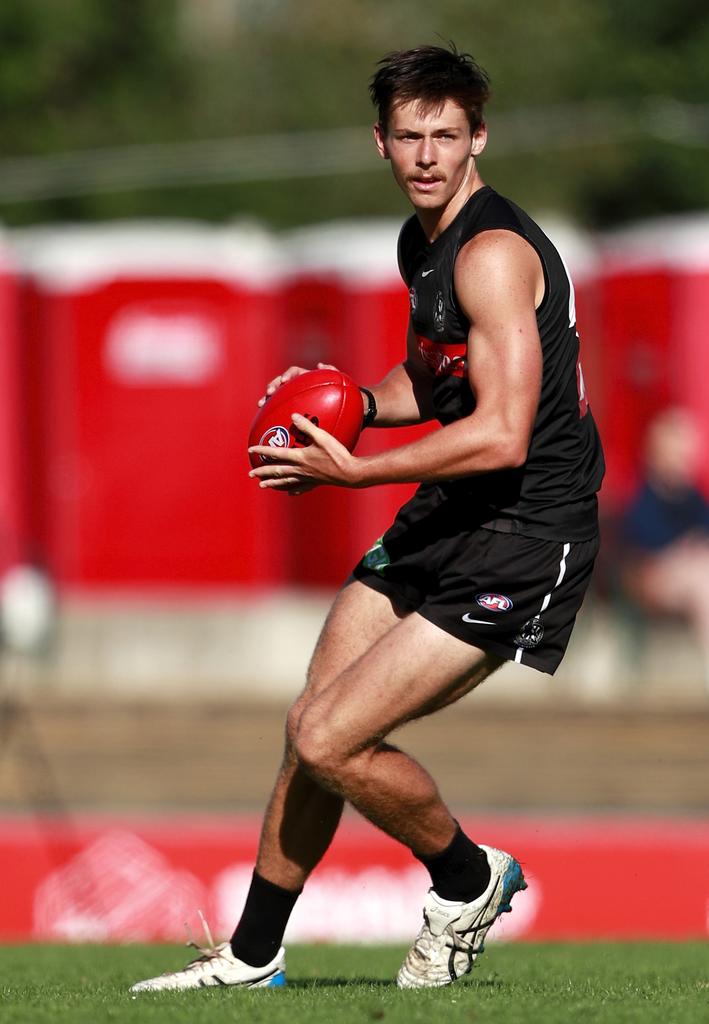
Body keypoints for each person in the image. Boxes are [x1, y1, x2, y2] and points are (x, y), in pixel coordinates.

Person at [131, 43, 604, 993]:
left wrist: (354, 474)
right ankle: (253, 956)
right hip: (453, 508)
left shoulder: (494, 254)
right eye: (409, 136)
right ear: (379, 142)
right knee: (312, 723)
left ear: (479, 138)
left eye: (446, 134)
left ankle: (468, 881)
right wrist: (341, 408)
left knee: (328, 736)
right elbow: (434, 383)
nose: (427, 153)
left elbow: (505, 432)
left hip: (524, 534)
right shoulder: (419, 244)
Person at [621, 407, 709, 706]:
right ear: (657, 450)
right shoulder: (642, 496)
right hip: (655, 579)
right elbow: (644, 545)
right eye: (677, 448)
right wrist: (690, 547)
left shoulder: (695, 495)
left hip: (703, 574)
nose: (685, 456)